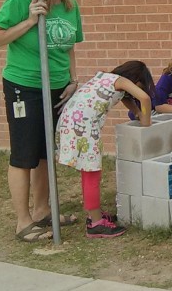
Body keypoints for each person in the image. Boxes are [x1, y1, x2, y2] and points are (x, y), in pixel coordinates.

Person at [0, 0, 84, 242]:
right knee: (24, 154)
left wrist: (72, 78)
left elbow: (70, 47)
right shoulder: (21, 0)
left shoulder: (70, 6)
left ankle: (43, 211)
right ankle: (23, 222)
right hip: (24, 86)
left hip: (57, 87)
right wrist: (29, 21)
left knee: (44, 153)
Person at [56, 61, 155, 238]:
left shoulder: (105, 78)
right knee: (92, 173)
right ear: (135, 79)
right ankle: (96, 224)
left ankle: (94, 214)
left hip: (72, 122)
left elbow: (126, 98)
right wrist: (147, 122)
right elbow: (144, 98)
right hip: (83, 128)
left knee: (89, 172)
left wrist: (138, 113)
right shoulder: (121, 80)